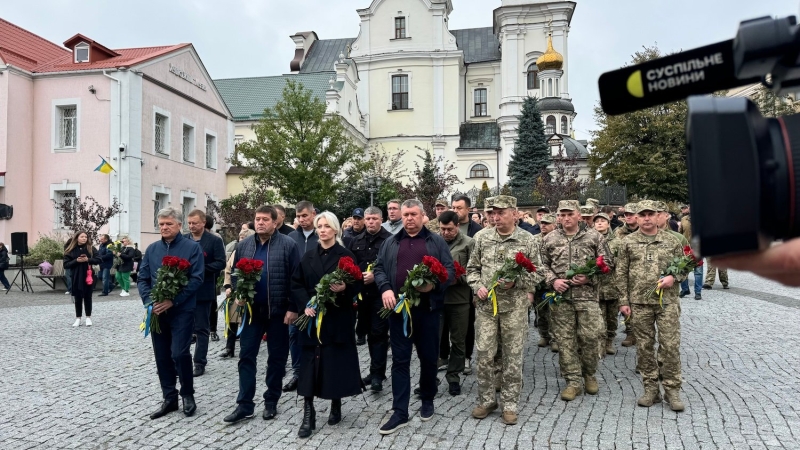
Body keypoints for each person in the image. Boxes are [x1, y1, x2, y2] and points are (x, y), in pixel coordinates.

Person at [373, 199, 454, 435]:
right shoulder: (390, 242)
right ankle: (400, 411)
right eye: (405, 214)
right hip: (398, 312)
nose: (409, 218)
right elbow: (378, 269)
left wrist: (433, 286)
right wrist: (385, 288)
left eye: (413, 214)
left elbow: (448, 271)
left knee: (428, 358)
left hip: (427, 311)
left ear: (422, 216)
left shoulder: (435, 241)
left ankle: (427, 398)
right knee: (399, 360)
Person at [223, 206, 301, 424]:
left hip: (278, 312)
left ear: (275, 222)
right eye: (257, 219)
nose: (260, 223)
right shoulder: (244, 245)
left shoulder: (288, 245)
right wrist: (238, 292)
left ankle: (271, 401)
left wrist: (293, 307)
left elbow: (296, 278)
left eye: (265, 219)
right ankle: (245, 404)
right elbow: (237, 274)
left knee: (276, 359)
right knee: (246, 356)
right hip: (251, 313)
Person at [467, 196, 540, 425]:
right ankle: (487, 400)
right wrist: (477, 286)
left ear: (514, 213)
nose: (495, 217)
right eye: (492, 213)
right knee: (485, 354)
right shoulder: (481, 237)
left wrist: (516, 283)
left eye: (500, 213)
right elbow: (472, 269)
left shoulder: (527, 240)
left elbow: (538, 273)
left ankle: (510, 404)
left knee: (512, 356)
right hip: (487, 308)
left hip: (514, 309)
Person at [290, 212, 364, 438]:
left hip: (337, 317)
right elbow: (296, 283)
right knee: (309, 364)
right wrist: (305, 305)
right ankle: (308, 412)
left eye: (326, 226)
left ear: (335, 230)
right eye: (319, 226)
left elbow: (357, 284)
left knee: (334, 363)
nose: (322, 230)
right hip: (312, 319)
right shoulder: (308, 255)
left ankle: (336, 402)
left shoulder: (345, 255)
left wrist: (345, 289)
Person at [616, 200, 686, 412]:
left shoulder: (672, 241)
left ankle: (672, 390)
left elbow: (685, 267)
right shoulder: (627, 242)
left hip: (667, 302)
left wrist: (674, 277)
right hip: (639, 303)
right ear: (636, 217)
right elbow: (620, 273)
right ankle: (650, 389)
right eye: (642, 214)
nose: (646, 218)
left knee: (670, 346)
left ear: (658, 216)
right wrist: (623, 301)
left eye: (651, 214)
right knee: (645, 347)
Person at [540, 200, 612, 402]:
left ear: (579, 215)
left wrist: (591, 277)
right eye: (562, 215)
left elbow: (608, 263)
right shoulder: (550, 238)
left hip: (587, 298)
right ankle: (573, 381)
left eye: (569, 214)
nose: (565, 218)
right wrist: (553, 281)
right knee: (565, 340)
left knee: (590, 337)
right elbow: (540, 265)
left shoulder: (594, 237)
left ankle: (589, 374)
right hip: (561, 299)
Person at [138, 207, 205, 419]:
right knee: (162, 356)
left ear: (179, 225)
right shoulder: (152, 249)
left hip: (182, 310)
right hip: (157, 311)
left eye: (169, 224)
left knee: (179, 353)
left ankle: (187, 394)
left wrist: (173, 301)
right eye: (161, 224)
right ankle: (169, 397)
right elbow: (142, 278)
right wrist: (150, 301)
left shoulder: (191, 248)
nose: (164, 228)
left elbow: (196, 279)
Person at [349, 206, 393, 391]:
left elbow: (393, 266)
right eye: (368, 219)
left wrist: (376, 275)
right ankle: (375, 371)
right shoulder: (356, 240)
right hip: (362, 295)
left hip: (380, 294)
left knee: (379, 334)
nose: (371, 222)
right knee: (367, 333)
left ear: (381, 220)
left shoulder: (389, 240)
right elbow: (350, 265)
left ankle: (377, 374)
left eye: (374, 218)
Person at [185, 210, 226, 377]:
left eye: (195, 223)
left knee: (202, 328)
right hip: (185, 291)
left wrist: (201, 269)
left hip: (203, 290)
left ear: (203, 223)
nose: (192, 226)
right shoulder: (184, 239)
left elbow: (221, 262)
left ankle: (199, 362)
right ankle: (181, 360)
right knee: (184, 327)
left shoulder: (214, 241)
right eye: (189, 223)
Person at [437, 211, 474, 397]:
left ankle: (453, 377)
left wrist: (458, 278)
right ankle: (431, 377)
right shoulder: (435, 242)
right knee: (434, 339)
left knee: (458, 340)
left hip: (459, 299)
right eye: (442, 229)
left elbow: (475, 271)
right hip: (437, 299)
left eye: (449, 229)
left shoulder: (468, 243)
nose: (445, 233)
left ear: (457, 226)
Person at [285, 201, 319, 392]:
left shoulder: (321, 235)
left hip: (317, 293)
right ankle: (298, 372)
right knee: (294, 334)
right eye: (298, 216)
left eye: (305, 215)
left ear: (313, 214)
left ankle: (316, 370)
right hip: (296, 294)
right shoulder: (291, 238)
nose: (301, 220)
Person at [220, 229, 256, 358]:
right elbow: (228, 270)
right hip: (236, 290)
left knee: (248, 320)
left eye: (243, 238)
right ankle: (229, 348)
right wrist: (228, 286)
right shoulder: (236, 251)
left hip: (251, 292)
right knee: (233, 319)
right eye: (240, 237)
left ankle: (247, 348)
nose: (240, 240)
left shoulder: (255, 251)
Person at [593, 213, 621, 356]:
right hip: (595, 286)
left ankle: (610, 340)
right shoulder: (590, 241)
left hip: (612, 285)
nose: (599, 223)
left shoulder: (617, 242)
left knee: (611, 318)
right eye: (597, 221)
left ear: (608, 224)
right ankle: (600, 343)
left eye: (602, 221)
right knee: (598, 318)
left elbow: (621, 263)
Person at [64, 231, 101, 327]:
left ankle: (88, 317)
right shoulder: (70, 250)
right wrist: (76, 260)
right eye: (82, 237)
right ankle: (78, 318)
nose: (84, 238)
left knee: (88, 297)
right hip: (76, 276)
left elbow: (99, 259)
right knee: (78, 297)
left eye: (86, 237)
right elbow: (66, 264)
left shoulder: (90, 248)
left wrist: (88, 259)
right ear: (77, 238)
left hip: (88, 275)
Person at [531, 214, 557, 351]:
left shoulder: (558, 239)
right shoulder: (534, 240)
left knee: (554, 311)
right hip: (539, 281)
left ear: (554, 224)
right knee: (540, 310)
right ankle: (544, 335)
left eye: (547, 223)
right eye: (541, 223)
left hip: (554, 281)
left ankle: (554, 338)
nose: (543, 226)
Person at [679, 205, 704, 300]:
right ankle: (685, 289)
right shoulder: (684, 219)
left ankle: (698, 292)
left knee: (698, 271)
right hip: (685, 247)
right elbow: (680, 232)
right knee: (683, 269)